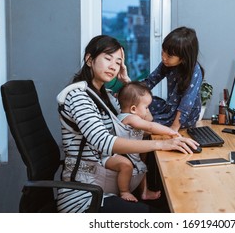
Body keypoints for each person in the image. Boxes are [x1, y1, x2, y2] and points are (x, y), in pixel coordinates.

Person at [56, 35, 199, 213]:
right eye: (107, 59)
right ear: (89, 59)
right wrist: (163, 143)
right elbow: (104, 142)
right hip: (84, 198)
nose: (113, 66)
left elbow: (146, 118)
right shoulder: (78, 96)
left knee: (172, 205)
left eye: (118, 62)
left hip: (104, 188)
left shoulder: (106, 96)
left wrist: (127, 82)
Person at [102, 81, 180, 202]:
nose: (148, 110)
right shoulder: (129, 118)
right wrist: (171, 132)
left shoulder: (133, 117)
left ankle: (144, 192)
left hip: (130, 155)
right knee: (125, 165)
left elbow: (149, 121)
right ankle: (124, 192)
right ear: (133, 109)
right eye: (146, 107)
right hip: (113, 156)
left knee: (142, 167)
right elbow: (150, 126)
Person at [144, 26, 204, 132]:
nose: (164, 57)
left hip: (185, 116)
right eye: (163, 52)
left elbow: (186, 104)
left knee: (149, 124)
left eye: (169, 56)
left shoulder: (195, 71)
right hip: (170, 107)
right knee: (144, 103)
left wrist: (174, 128)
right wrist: (131, 92)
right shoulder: (166, 63)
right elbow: (150, 81)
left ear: (184, 57)